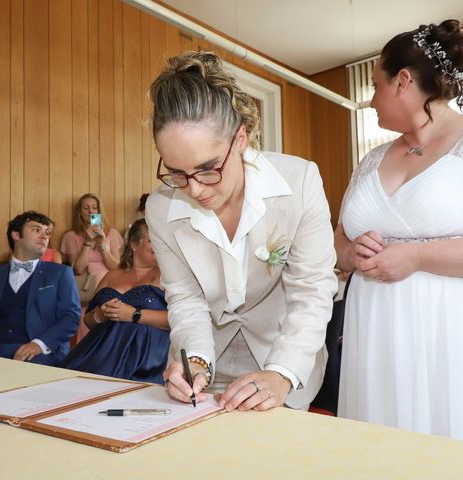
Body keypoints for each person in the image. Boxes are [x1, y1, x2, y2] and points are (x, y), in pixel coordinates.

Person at [335, 20, 463, 451]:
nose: (370, 101)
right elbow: (340, 240)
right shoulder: (370, 160)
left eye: (375, 86)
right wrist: (351, 252)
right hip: (379, 336)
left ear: (403, 81)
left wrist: (417, 257)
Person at [146, 51, 337, 412]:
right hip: (206, 359)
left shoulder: (299, 183)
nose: (195, 189)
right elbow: (186, 299)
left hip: (282, 353)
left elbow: (312, 291)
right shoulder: (160, 208)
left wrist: (281, 374)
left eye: (208, 169)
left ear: (241, 138)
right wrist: (196, 362)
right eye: (176, 173)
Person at [0, 211, 81, 366]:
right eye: (36, 230)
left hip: (41, 356)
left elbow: (70, 317)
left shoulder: (60, 273)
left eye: (47, 233)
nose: (44, 236)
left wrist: (38, 345)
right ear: (16, 235)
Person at [62, 219, 169, 384]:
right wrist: (100, 314)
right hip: (98, 351)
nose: (159, 245)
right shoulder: (112, 275)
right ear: (134, 244)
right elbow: (88, 320)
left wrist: (134, 314)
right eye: (152, 240)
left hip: (142, 357)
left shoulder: (167, 276)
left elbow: (179, 320)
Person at [60, 193, 124, 341]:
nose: (91, 212)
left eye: (95, 208)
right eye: (86, 208)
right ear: (79, 212)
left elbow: (115, 267)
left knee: (111, 331)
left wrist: (102, 245)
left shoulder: (112, 234)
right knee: (87, 332)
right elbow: (78, 269)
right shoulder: (71, 236)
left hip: (110, 287)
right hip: (86, 291)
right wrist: (87, 242)